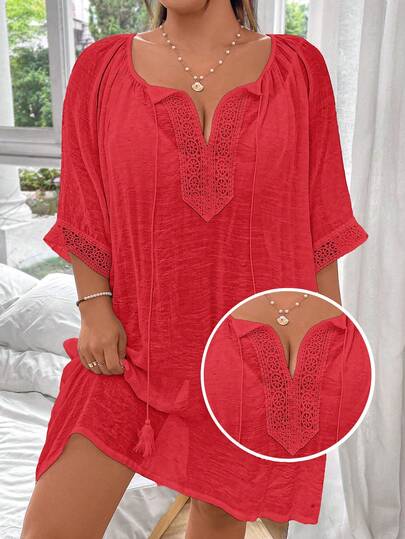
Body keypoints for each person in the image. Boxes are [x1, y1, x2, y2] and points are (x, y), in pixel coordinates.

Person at [21, 1, 368, 538]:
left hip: (252, 351)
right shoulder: (102, 68)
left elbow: (322, 219)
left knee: (220, 517)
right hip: (129, 349)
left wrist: (328, 351)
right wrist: (94, 308)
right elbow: (85, 201)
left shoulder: (298, 68)